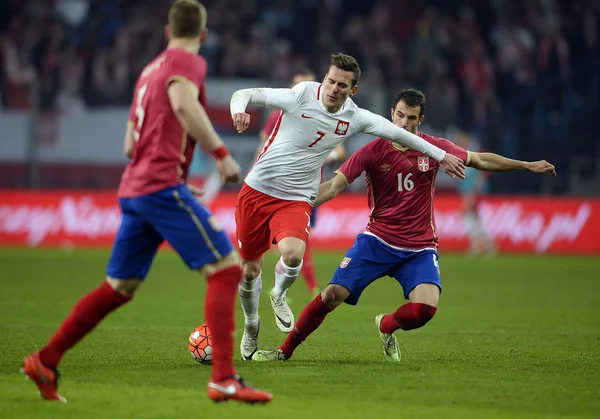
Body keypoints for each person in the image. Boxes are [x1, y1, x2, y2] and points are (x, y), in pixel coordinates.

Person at [21, 0, 272, 404]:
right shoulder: (187, 62)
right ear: (203, 35)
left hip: (138, 186)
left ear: (167, 31)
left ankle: (45, 361)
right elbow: (184, 105)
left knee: (120, 286)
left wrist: (169, 177)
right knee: (227, 270)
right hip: (157, 187)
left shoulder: (147, 72)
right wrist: (222, 155)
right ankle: (224, 377)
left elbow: (129, 143)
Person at [249, 88, 556, 362]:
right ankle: (284, 350)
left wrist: (527, 166)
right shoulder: (371, 151)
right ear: (390, 114)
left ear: (419, 120)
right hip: (376, 242)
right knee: (331, 295)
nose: (404, 123)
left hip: (419, 247)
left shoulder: (433, 148)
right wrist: (291, 206)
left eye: (411, 118)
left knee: (424, 310)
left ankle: (386, 325)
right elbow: (332, 187)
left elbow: (479, 160)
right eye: (399, 115)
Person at [230, 54, 467, 361]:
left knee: (292, 254)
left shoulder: (355, 117)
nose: (333, 89)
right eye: (330, 81)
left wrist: (441, 155)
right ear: (324, 79)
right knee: (249, 272)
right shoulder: (302, 94)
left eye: (342, 85)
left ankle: (279, 294)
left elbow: (399, 134)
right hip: (256, 191)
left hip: (296, 197)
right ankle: (251, 325)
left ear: (352, 90)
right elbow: (245, 94)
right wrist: (238, 110)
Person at [257, 69, 347, 299]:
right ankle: (277, 286)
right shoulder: (279, 114)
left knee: (298, 242)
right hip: (273, 187)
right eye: (297, 85)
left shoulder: (325, 117)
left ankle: (296, 286)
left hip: (305, 190)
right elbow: (264, 143)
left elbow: (340, 151)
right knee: (273, 243)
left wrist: (323, 155)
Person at [456, 131, 496, 256]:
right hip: (468, 191)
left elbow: (479, 175)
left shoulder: (471, 155)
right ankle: (488, 245)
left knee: (466, 213)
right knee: (475, 218)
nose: (459, 143)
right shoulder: (461, 155)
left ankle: (476, 245)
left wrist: (474, 192)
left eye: (462, 141)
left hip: (472, 192)